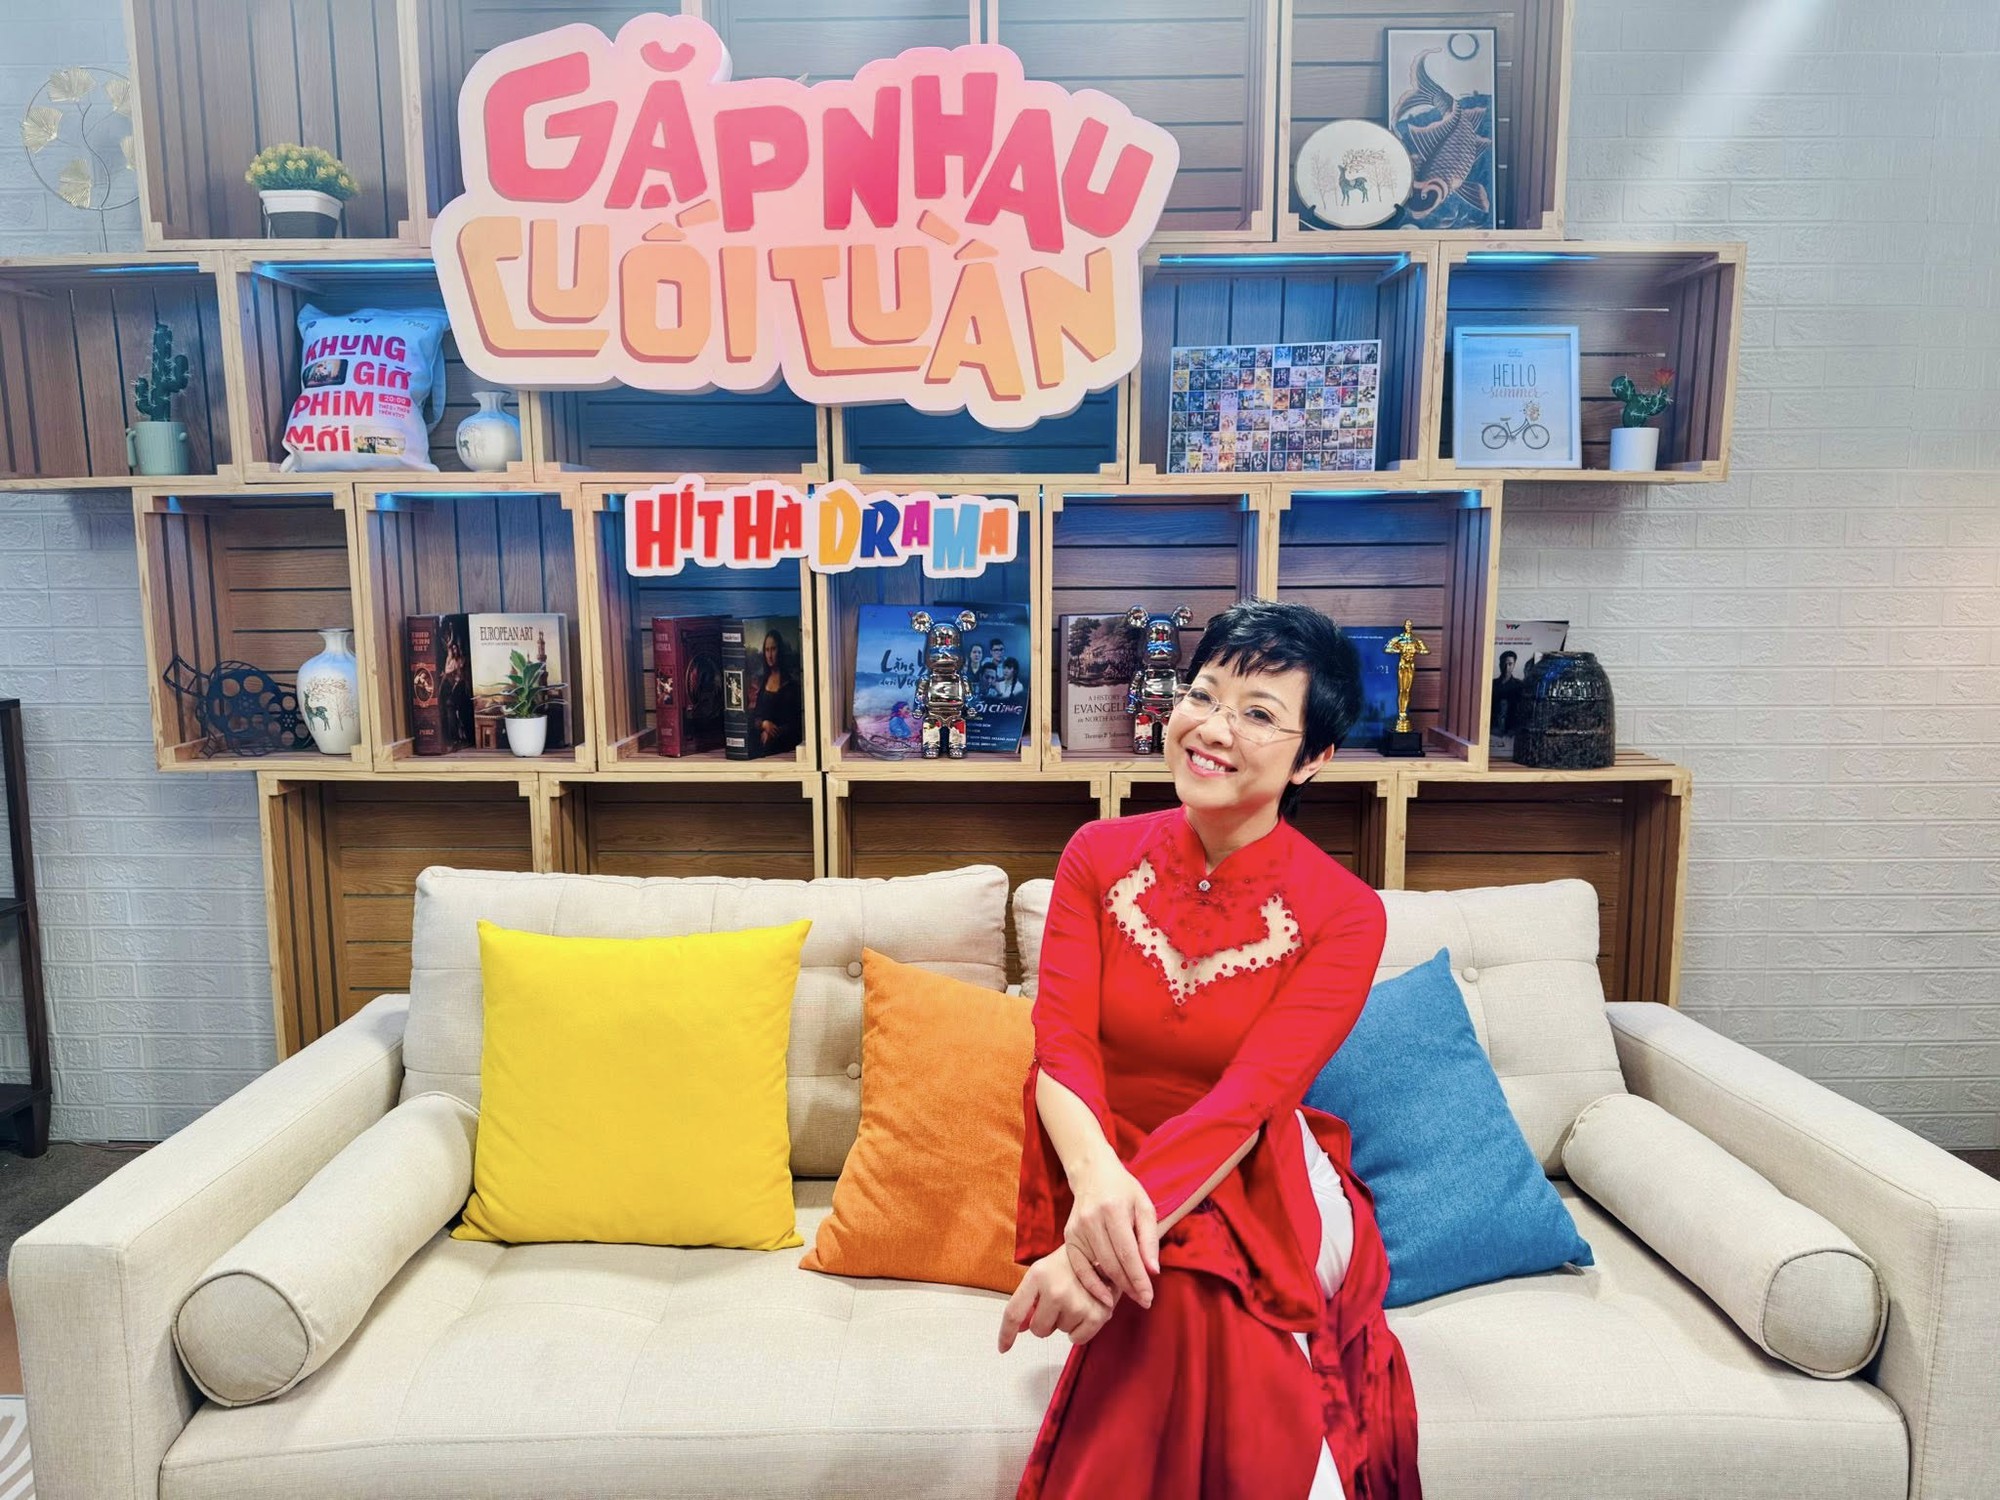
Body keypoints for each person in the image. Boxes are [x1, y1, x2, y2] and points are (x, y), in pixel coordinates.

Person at [998, 599, 1420, 1500]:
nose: (1214, 728)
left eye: (1258, 713)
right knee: (1173, 1292)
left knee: (1178, 1293)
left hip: (1248, 1165)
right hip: (1100, 1154)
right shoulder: (1095, 854)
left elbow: (1247, 1103)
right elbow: (1061, 1049)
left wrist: (1094, 1257)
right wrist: (1098, 1192)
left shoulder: (1347, 914)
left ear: (1315, 757)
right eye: (1203, 694)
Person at [752, 629, 803, 751]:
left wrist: (771, 732)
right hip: (762, 744)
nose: (770, 655)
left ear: (780, 650)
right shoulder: (762, 681)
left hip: (784, 746)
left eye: (773, 649)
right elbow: (755, 716)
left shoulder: (791, 684)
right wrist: (764, 725)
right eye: (767, 650)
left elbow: (795, 723)